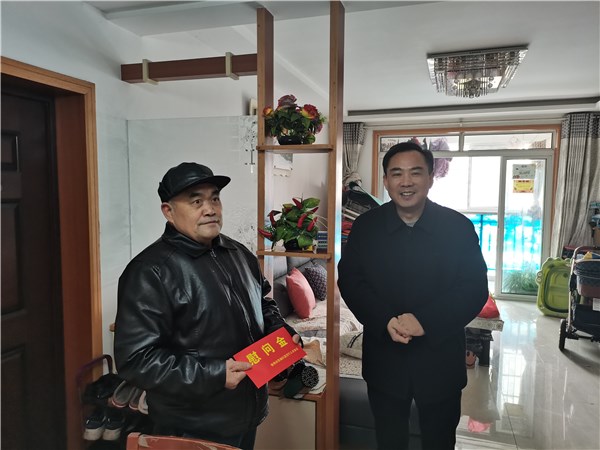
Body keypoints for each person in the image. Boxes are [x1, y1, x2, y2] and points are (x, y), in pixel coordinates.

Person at [114, 162, 300, 449]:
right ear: (168, 211)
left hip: (246, 413)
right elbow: (136, 360)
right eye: (196, 202)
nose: (210, 209)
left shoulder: (238, 253)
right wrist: (214, 374)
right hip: (192, 426)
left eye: (215, 198)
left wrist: (281, 333)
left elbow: (263, 303)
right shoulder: (150, 271)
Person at [337, 141, 489, 450]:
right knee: (389, 440)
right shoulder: (366, 227)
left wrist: (425, 322)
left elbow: (473, 288)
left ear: (431, 178)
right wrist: (385, 320)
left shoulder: (457, 227)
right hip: (385, 359)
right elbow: (351, 280)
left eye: (415, 172)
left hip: (440, 360)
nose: (406, 182)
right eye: (396, 173)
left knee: (439, 440)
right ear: (386, 181)